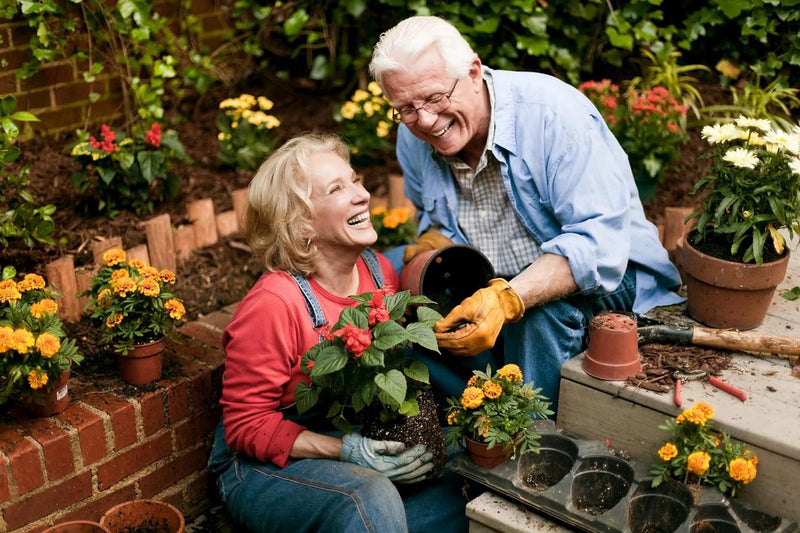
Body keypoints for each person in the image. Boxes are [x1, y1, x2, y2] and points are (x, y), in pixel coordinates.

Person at [369, 16, 684, 409]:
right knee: (392, 277)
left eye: (435, 98)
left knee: (534, 319)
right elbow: (434, 218)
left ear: (473, 72)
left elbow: (599, 246)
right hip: (492, 275)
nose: (426, 121)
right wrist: (435, 238)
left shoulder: (555, 116)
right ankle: (468, 412)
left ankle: (531, 432)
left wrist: (509, 298)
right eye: (406, 108)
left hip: (610, 276)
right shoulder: (412, 137)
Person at [207, 133, 469, 533]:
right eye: (337, 189)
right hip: (263, 464)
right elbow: (247, 426)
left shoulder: (379, 272)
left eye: (355, 180)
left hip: (345, 432)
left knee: (465, 457)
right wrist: (347, 451)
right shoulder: (274, 303)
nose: (362, 195)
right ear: (301, 222)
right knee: (369, 496)